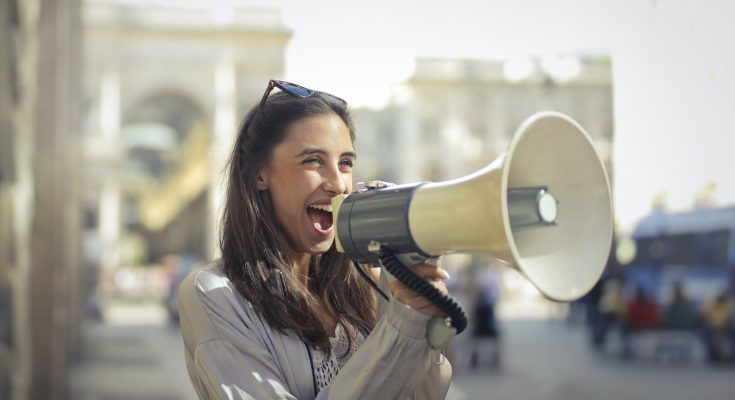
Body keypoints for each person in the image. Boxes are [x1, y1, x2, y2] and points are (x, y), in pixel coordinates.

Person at [178, 80, 452, 399]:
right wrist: (400, 331)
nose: (338, 184)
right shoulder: (215, 294)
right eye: (313, 161)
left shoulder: (367, 284)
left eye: (345, 163)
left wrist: (419, 323)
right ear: (259, 175)